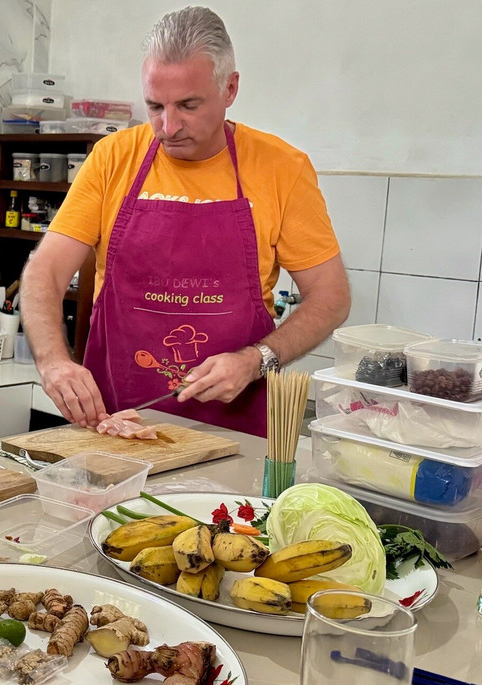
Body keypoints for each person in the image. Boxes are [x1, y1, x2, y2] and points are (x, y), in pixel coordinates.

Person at [21, 6, 350, 437]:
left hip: (234, 431)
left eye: (188, 105)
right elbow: (44, 272)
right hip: (116, 421)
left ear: (230, 88)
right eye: (155, 106)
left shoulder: (281, 168)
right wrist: (54, 362)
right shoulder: (112, 158)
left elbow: (331, 297)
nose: (168, 126)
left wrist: (257, 360)